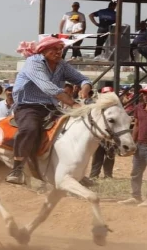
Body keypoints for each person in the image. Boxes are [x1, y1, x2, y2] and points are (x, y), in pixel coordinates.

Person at [7, 37, 92, 185]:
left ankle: (75, 172)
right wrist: (73, 104)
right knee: (30, 129)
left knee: (75, 128)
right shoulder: (33, 62)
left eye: (60, 49)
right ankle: (17, 169)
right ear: (43, 50)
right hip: (28, 106)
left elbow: (83, 79)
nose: (58, 52)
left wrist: (85, 87)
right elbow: (48, 88)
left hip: (52, 107)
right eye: (55, 49)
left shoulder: (62, 65)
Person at [90, 86, 116, 179]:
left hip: (111, 135)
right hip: (99, 135)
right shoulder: (97, 108)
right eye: (105, 94)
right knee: (97, 155)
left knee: (110, 155)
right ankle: (94, 175)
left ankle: (108, 175)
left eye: (108, 94)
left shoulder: (115, 108)